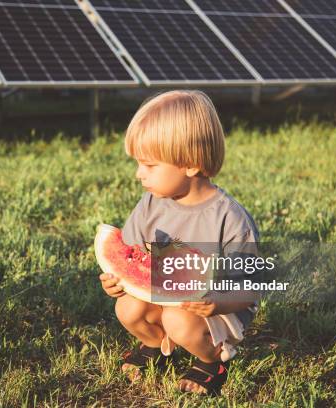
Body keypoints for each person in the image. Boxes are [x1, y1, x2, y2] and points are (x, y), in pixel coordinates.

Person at [99, 90, 260, 395]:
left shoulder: (231, 219)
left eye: (149, 165)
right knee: (127, 308)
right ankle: (155, 345)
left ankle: (213, 362)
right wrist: (115, 281)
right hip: (167, 295)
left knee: (178, 319)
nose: (138, 174)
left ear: (190, 163)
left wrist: (216, 302)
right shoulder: (149, 204)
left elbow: (250, 289)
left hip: (219, 309)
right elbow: (132, 255)